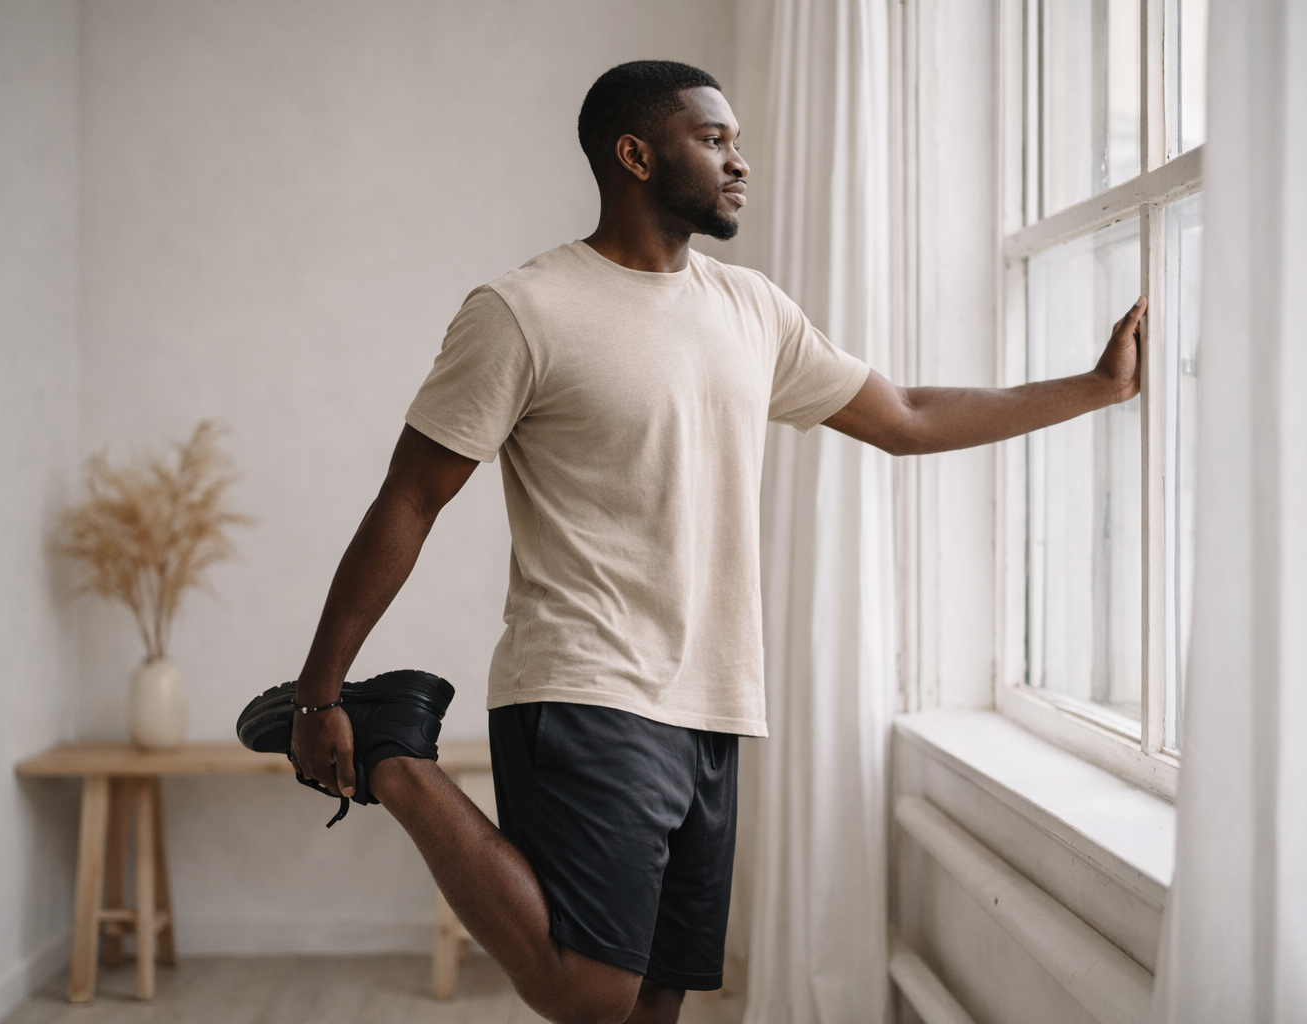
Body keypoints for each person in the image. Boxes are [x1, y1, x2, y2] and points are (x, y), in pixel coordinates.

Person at [238, 60, 1145, 1024]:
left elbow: (908, 416)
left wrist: (1097, 388)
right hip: (585, 683)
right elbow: (410, 500)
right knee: (592, 994)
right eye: (714, 141)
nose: (740, 162)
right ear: (635, 155)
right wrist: (321, 690)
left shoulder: (751, 309)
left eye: (738, 141)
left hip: (714, 700)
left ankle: (395, 750)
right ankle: (395, 756)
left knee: (658, 1001)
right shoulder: (523, 311)